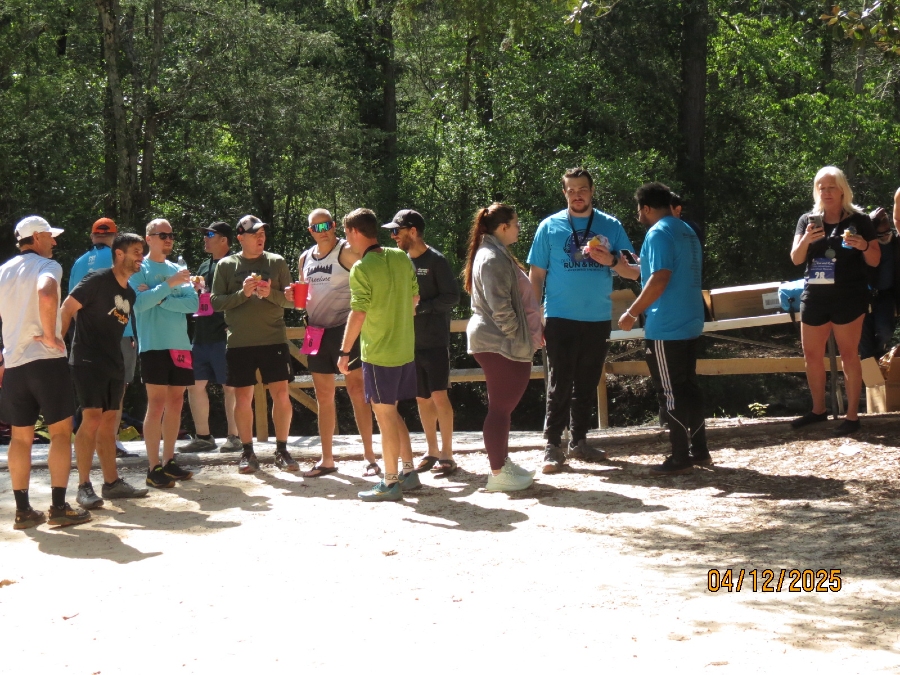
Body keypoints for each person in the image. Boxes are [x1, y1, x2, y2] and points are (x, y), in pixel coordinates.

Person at [527, 167, 640, 473]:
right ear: (564, 193)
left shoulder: (611, 226)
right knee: (560, 382)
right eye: (571, 190)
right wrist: (534, 316)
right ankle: (552, 445)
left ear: (592, 191)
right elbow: (536, 276)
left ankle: (579, 441)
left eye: (583, 190)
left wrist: (612, 261)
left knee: (588, 382)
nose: (577, 195)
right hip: (559, 316)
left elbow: (635, 271)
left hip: (597, 317)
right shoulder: (549, 226)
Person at [0, 216, 90, 529]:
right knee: (61, 433)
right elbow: (48, 292)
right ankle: (59, 507)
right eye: (50, 236)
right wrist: (52, 337)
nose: (54, 241)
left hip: (14, 363)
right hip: (46, 360)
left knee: (20, 438)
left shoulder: (4, 270)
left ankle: (23, 511)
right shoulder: (47, 266)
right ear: (37, 237)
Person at [617, 183, 707, 474]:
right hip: (691, 319)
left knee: (669, 391)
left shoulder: (657, 233)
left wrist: (632, 312)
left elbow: (659, 278)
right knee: (689, 386)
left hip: (666, 325)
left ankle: (680, 456)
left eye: (638, 210)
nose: (638, 216)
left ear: (646, 208)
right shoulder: (686, 230)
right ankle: (700, 450)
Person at [337, 208, 421, 502]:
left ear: (355, 232)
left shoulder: (361, 268)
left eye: (346, 233)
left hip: (379, 354)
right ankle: (409, 471)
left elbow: (358, 313)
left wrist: (344, 352)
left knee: (384, 417)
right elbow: (415, 297)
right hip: (404, 350)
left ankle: (390, 482)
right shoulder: (400, 257)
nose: (346, 240)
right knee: (392, 412)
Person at [61, 232, 150, 507]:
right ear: (119, 254)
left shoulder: (129, 293)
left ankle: (111, 483)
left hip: (114, 362)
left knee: (110, 422)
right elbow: (67, 308)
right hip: (87, 360)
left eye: (142, 252)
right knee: (91, 419)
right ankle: (83, 486)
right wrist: (57, 346)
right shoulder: (96, 280)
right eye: (136, 252)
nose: (141, 257)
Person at [790, 166, 879, 435]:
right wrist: (807, 239)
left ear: (842, 190)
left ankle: (852, 417)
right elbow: (796, 259)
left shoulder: (859, 220)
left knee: (849, 355)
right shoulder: (807, 220)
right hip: (815, 297)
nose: (826, 192)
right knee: (811, 355)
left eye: (831, 187)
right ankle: (818, 410)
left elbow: (875, 260)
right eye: (822, 188)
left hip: (849, 297)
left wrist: (863, 245)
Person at [210, 215, 300, 474]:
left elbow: (293, 301)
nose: (260, 238)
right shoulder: (226, 265)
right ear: (240, 237)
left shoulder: (276, 262)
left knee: (281, 395)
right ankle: (247, 452)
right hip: (239, 342)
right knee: (243, 397)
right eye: (254, 234)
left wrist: (270, 294)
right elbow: (215, 302)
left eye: (262, 233)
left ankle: (282, 450)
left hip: (274, 339)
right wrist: (243, 294)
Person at [464, 203, 541, 491]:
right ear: (504, 227)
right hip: (499, 342)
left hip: (499, 341)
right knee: (500, 409)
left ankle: (502, 464)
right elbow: (501, 307)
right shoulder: (492, 256)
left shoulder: (494, 252)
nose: (519, 228)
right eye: (516, 223)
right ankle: (498, 473)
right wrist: (517, 336)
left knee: (502, 408)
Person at [298, 208, 379, 477]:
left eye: (327, 225)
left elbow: (373, 274)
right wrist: (290, 295)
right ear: (310, 231)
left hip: (346, 330)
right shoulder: (304, 258)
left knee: (357, 391)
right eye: (316, 228)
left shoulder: (347, 251)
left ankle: (370, 457)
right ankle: (327, 459)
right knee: (323, 396)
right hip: (315, 331)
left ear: (334, 225)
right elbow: (303, 296)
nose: (323, 232)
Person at [385, 209, 461, 475]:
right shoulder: (399, 261)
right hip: (409, 342)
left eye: (397, 231)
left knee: (439, 394)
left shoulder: (436, 260)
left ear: (413, 231)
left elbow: (453, 297)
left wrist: (422, 308)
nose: (393, 236)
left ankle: (448, 454)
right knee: (422, 397)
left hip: (435, 341)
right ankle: (431, 451)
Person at [130, 218, 198, 487]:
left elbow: (192, 304)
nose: (168, 239)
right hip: (153, 344)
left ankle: (169, 461)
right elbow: (139, 304)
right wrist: (169, 286)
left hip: (180, 344)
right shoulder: (139, 268)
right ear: (149, 238)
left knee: (176, 402)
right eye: (163, 235)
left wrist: (160, 298)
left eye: (171, 235)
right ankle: (152, 467)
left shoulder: (177, 269)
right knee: (156, 404)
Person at [69, 217, 138, 459]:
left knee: (90, 401)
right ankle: (112, 443)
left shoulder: (79, 263)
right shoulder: (119, 258)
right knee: (116, 396)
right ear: (115, 239)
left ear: (92, 236)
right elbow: (129, 297)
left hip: (85, 341)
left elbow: (72, 305)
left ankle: (90, 446)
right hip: (120, 335)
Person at [180, 222, 241, 453]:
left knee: (230, 387)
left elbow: (241, 297)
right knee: (194, 385)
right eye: (204, 234)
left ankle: (235, 436)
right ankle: (204, 437)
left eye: (209, 234)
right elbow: (201, 296)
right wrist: (195, 288)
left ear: (224, 239)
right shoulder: (205, 265)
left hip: (224, 335)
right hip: (201, 335)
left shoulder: (235, 264)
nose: (205, 238)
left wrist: (232, 325)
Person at [859, 206, 900, 360]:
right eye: (880, 235)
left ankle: (878, 353)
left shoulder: (896, 243)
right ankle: (870, 366)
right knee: (864, 340)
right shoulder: (864, 245)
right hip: (863, 296)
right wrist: (871, 222)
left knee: (885, 331)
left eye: (887, 232)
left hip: (886, 295)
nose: (885, 237)